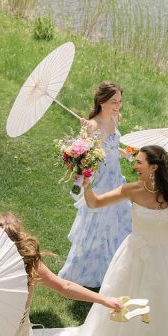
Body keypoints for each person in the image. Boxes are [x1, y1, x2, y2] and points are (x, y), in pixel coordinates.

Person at [32, 146, 168, 336]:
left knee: (164, 308)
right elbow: (95, 203)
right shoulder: (132, 189)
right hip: (134, 259)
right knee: (127, 309)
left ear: (154, 167)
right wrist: (86, 185)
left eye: (140, 162)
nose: (135, 166)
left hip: (164, 260)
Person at [59, 82, 132, 288]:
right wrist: (85, 133)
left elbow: (111, 147)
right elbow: (84, 156)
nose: (118, 106)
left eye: (120, 101)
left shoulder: (115, 118)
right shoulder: (92, 125)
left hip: (116, 178)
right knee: (98, 223)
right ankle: (86, 271)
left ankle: (114, 270)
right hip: (101, 181)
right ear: (102, 102)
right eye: (114, 102)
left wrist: (124, 153)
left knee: (119, 222)